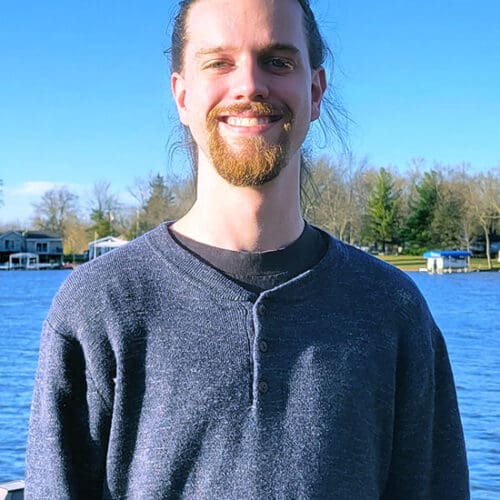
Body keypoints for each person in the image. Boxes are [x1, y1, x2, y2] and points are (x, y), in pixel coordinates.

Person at [25, 0, 469, 498]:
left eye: (278, 61)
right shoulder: (99, 308)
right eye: (219, 62)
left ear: (316, 91)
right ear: (182, 95)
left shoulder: (393, 312)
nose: (249, 85)